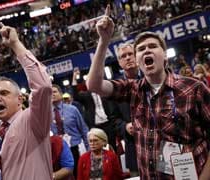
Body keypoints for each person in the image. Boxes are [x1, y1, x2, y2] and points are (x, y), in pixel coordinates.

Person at [86, 5, 210, 179]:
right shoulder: (133, 89)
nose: (147, 50)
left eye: (153, 46)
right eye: (141, 49)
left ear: (165, 55)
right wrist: (104, 40)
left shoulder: (194, 88)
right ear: (138, 60)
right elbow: (93, 85)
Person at [0, 23, 53, 180]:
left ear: (20, 99)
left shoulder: (34, 120)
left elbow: (43, 86)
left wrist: (16, 45)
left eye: (4, 93)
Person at [51, 84, 89, 178]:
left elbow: (84, 130)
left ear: (61, 94)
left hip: (74, 148)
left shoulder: (72, 109)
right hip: (57, 151)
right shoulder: (44, 114)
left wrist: (89, 150)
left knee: (79, 176)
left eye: (54, 92)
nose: (52, 94)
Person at [115, 43, 139, 176]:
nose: (128, 58)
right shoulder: (115, 88)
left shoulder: (151, 77)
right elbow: (114, 119)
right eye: (123, 56)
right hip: (133, 146)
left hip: (160, 144)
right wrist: (125, 126)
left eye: (130, 54)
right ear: (119, 62)